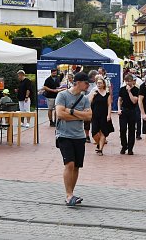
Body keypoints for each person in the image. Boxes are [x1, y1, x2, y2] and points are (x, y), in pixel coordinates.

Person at [55, 72, 92, 206]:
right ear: (78, 83)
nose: (88, 85)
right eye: (86, 82)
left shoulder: (84, 98)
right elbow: (60, 114)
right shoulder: (62, 95)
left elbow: (89, 116)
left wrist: (71, 111)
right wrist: (80, 115)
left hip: (79, 136)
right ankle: (68, 195)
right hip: (64, 135)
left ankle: (71, 193)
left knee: (76, 166)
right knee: (69, 164)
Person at [117, 74, 139, 155]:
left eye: (129, 81)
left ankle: (130, 148)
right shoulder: (122, 89)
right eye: (126, 81)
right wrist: (119, 109)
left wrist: (129, 91)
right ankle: (124, 146)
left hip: (132, 111)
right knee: (122, 129)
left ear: (132, 81)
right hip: (124, 111)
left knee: (132, 130)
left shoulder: (136, 90)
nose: (127, 83)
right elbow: (119, 100)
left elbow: (134, 101)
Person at [90, 77, 112, 156]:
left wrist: (109, 115)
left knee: (103, 132)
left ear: (103, 84)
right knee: (94, 133)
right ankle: (99, 143)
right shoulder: (94, 92)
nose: (98, 84)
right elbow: (89, 103)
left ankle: (100, 149)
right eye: (97, 83)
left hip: (104, 115)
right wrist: (92, 96)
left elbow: (109, 105)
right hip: (95, 115)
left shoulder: (107, 94)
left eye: (100, 83)